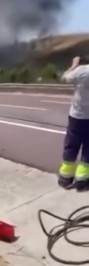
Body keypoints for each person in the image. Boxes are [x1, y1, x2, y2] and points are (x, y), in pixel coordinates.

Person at [58, 56, 89, 190]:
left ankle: (65, 178)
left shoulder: (82, 71)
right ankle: (82, 180)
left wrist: (73, 65)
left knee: (71, 145)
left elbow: (64, 78)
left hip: (76, 117)